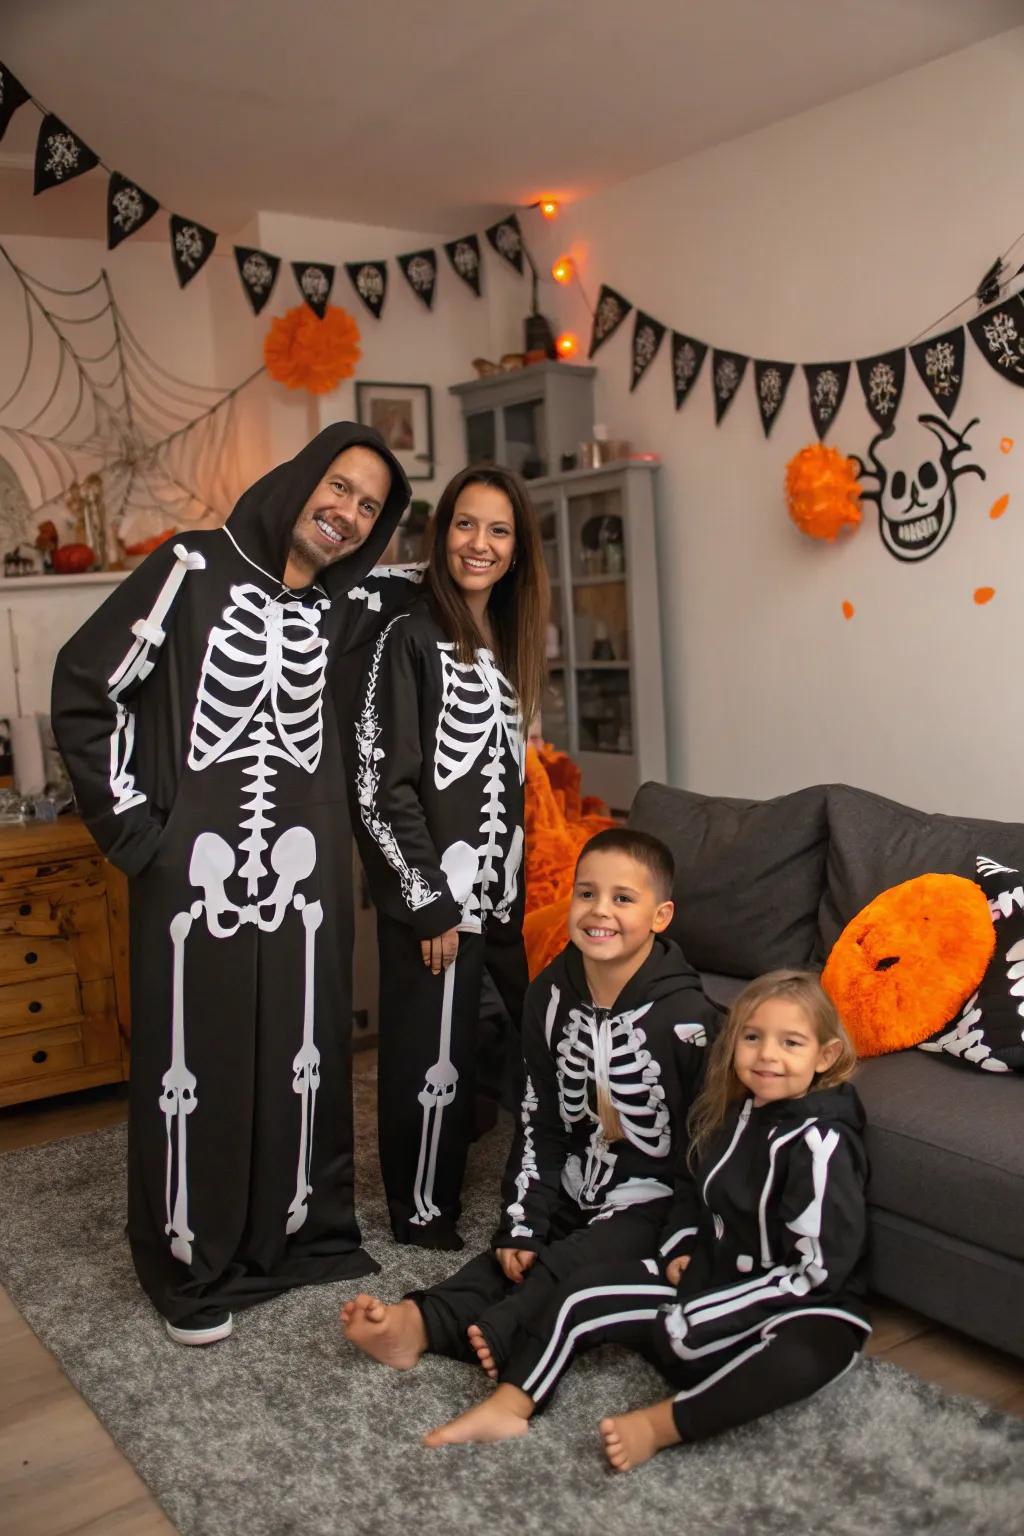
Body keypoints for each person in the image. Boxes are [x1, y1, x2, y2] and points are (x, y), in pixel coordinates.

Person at [51, 423, 418, 1344]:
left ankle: (295, 1236)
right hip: (194, 872)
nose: (346, 513)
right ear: (300, 480)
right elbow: (88, 686)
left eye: (369, 507)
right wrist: (138, 831)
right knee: (196, 1063)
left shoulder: (350, 608)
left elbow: (440, 615)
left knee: (302, 1056)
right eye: (338, 487)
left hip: (306, 875)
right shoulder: (190, 566)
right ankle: (192, 1256)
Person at [420, 970, 869, 1467]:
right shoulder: (735, 1113)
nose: (767, 1054)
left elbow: (816, 1273)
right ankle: (512, 1403)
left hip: (799, 1308)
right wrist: (680, 1247)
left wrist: (702, 1315)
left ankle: (660, 1425)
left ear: (825, 1056)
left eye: (791, 1042)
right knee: (582, 1292)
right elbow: (691, 1190)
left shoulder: (820, 1143)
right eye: (752, 1037)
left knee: (799, 1359)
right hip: (709, 1281)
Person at [342, 828, 721, 1366]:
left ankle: (502, 1333)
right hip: (575, 1178)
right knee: (510, 1257)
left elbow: (699, 1145)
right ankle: (419, 1320)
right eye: (586, 893)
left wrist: (685, 1235)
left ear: (660, 917)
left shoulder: (691, 1020)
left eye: (622, 898)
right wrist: (522, 1221)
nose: (599, 911)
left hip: (650, 1198)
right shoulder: (549, 995)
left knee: (567, 1264)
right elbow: (539, 1117)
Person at [350, 463, 546, 1250]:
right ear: (442, 534)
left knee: (495, 1049)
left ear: (517, 549)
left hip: (499, 898)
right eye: (467, 524)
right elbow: (379, 782)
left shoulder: (508, 636)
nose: (480, 543)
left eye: (499, 530)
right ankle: (420, 1215)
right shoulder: (410, 636)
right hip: (434, 893)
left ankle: (501, 1189)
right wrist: (427, 898)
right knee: (424, 1059)